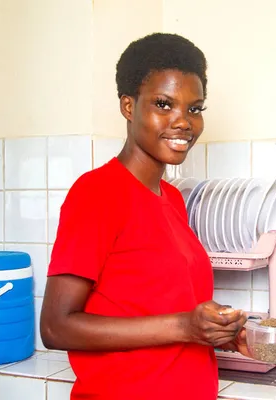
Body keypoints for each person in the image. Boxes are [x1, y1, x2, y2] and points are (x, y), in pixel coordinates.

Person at [40, 33, 249, 400]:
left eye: (194, 108)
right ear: (128, 106)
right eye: (164, 104)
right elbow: (56, 328)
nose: (183, 122)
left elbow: (158, 307)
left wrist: (218, 332)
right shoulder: (97, 194)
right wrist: (186, 327)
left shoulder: (171, 198)